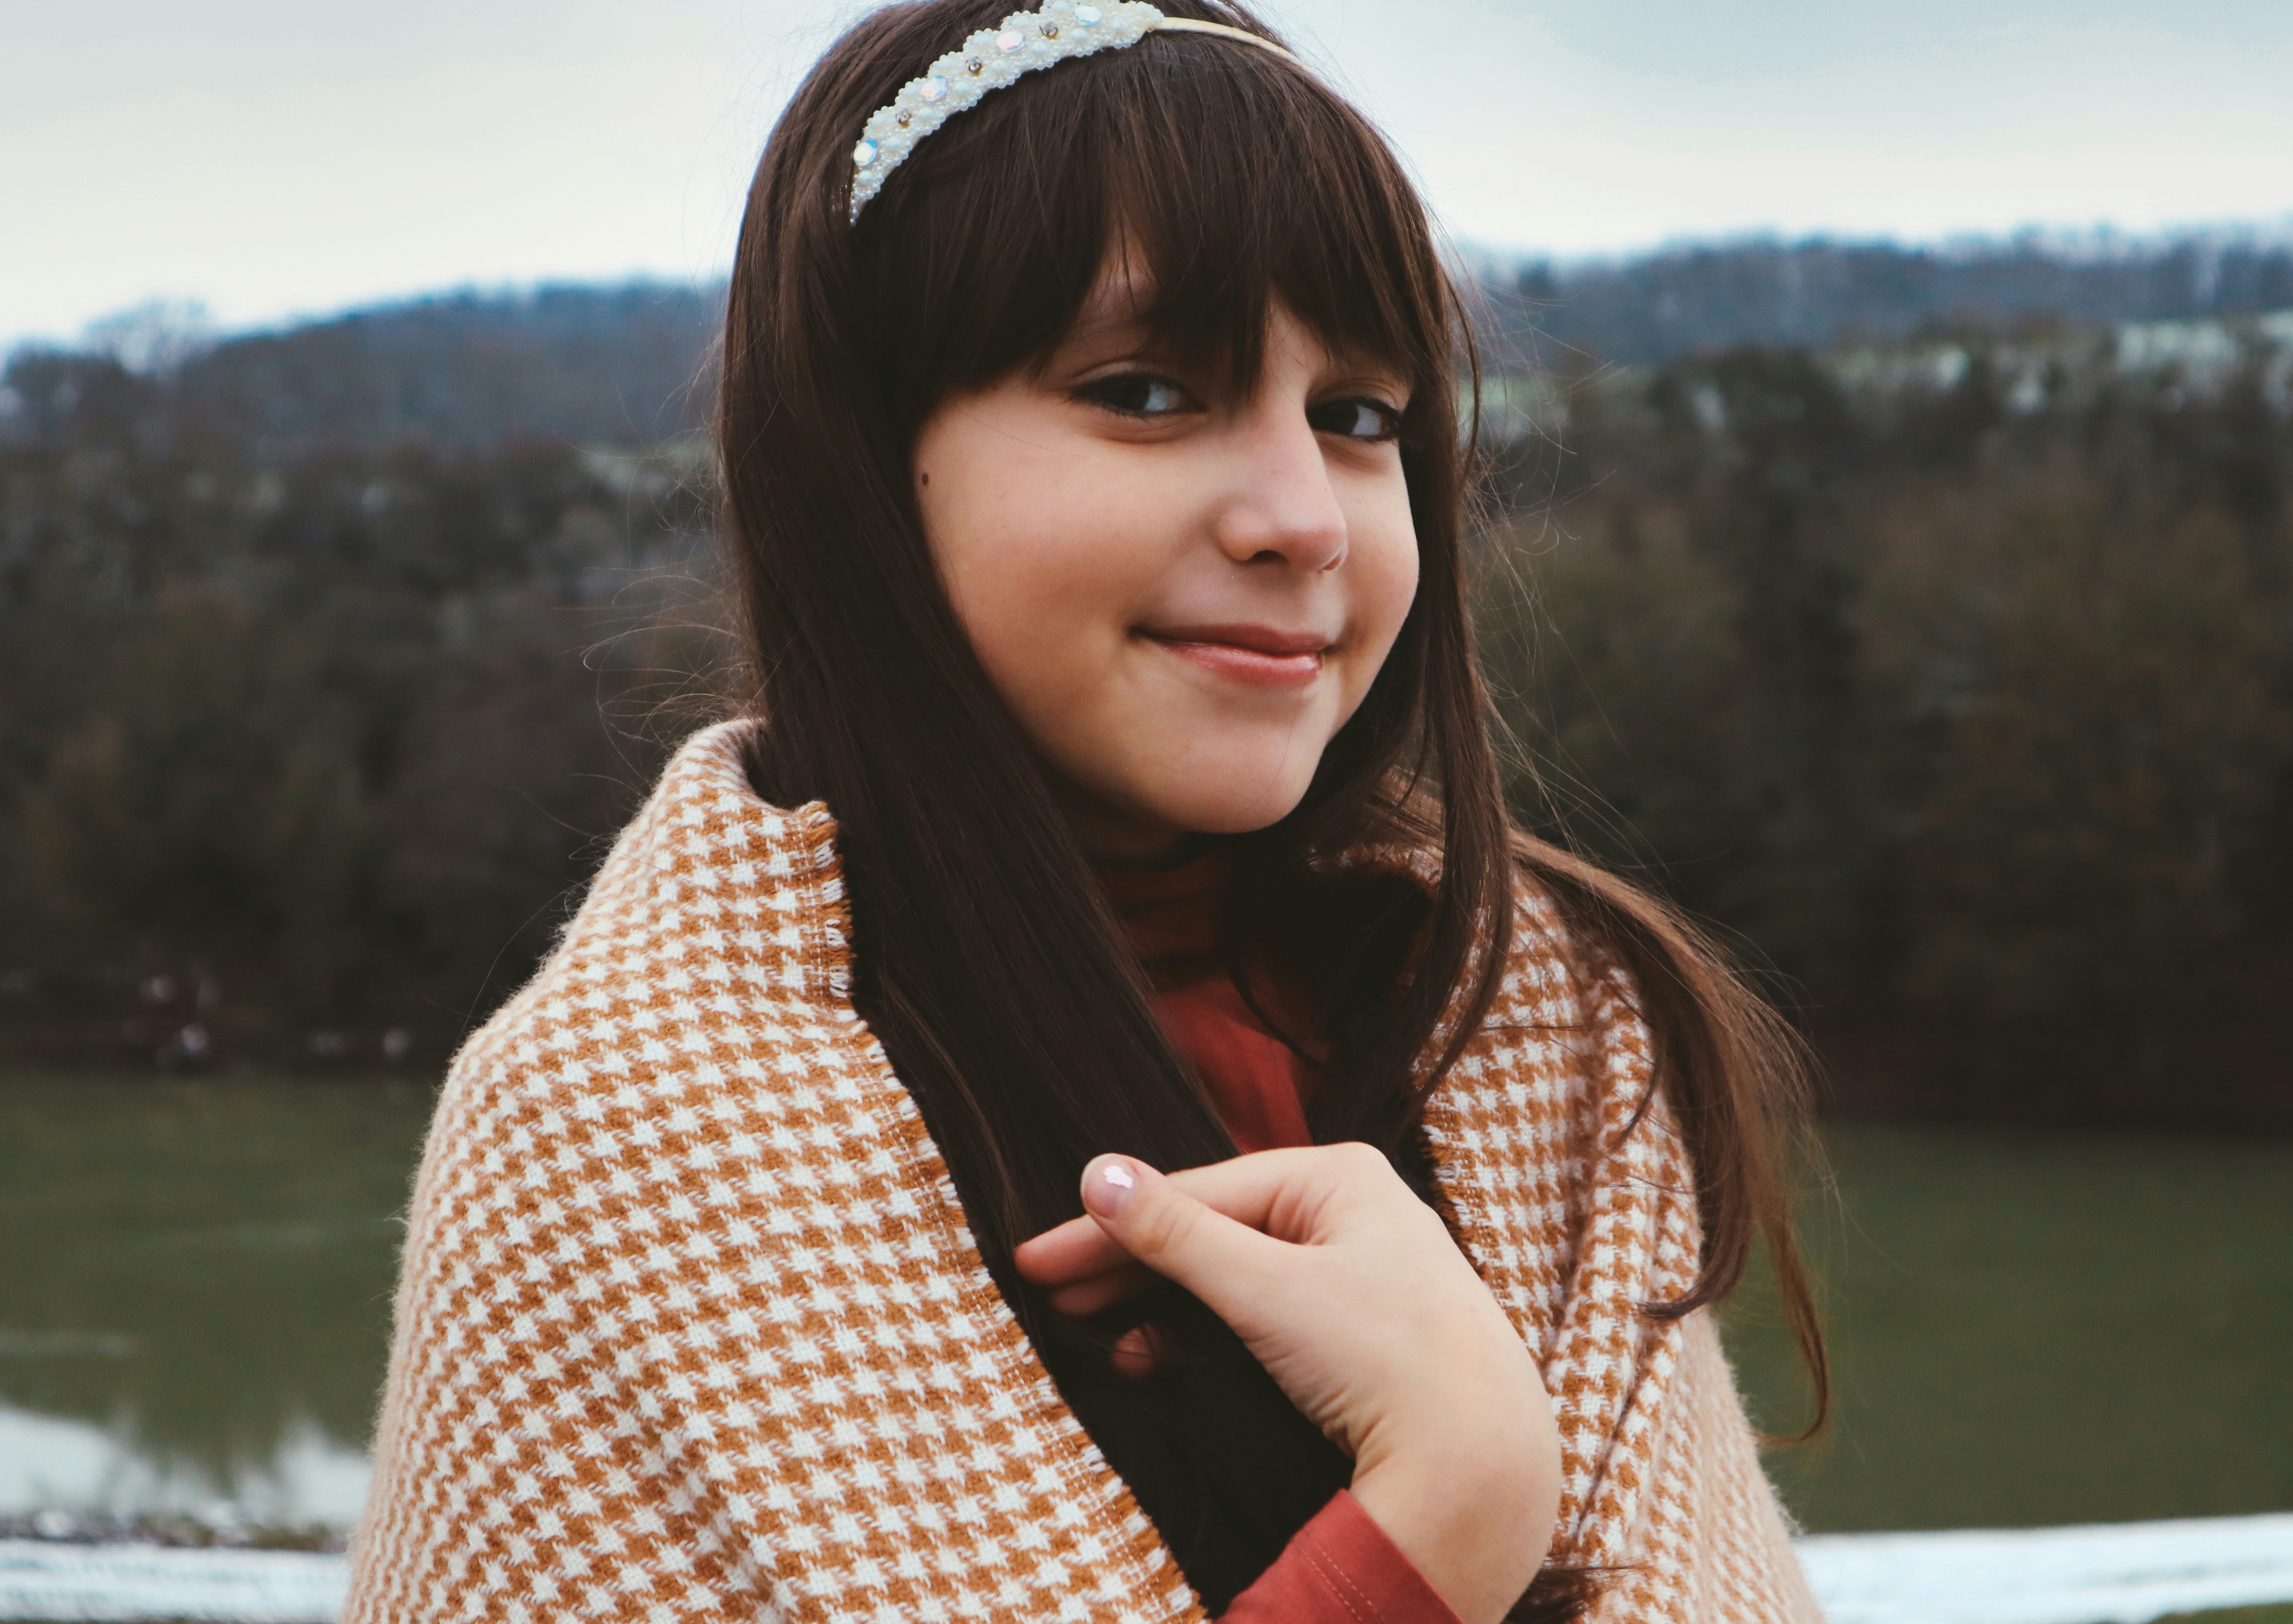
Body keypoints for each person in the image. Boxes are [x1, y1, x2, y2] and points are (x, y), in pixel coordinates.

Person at [345, 2, 1829, 1620]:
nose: (1300, 519)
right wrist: (1444, 1515)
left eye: (1360, 415)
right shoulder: (616, 1146)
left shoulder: (1539, 1036)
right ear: (864, 461)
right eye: (1145, 392)